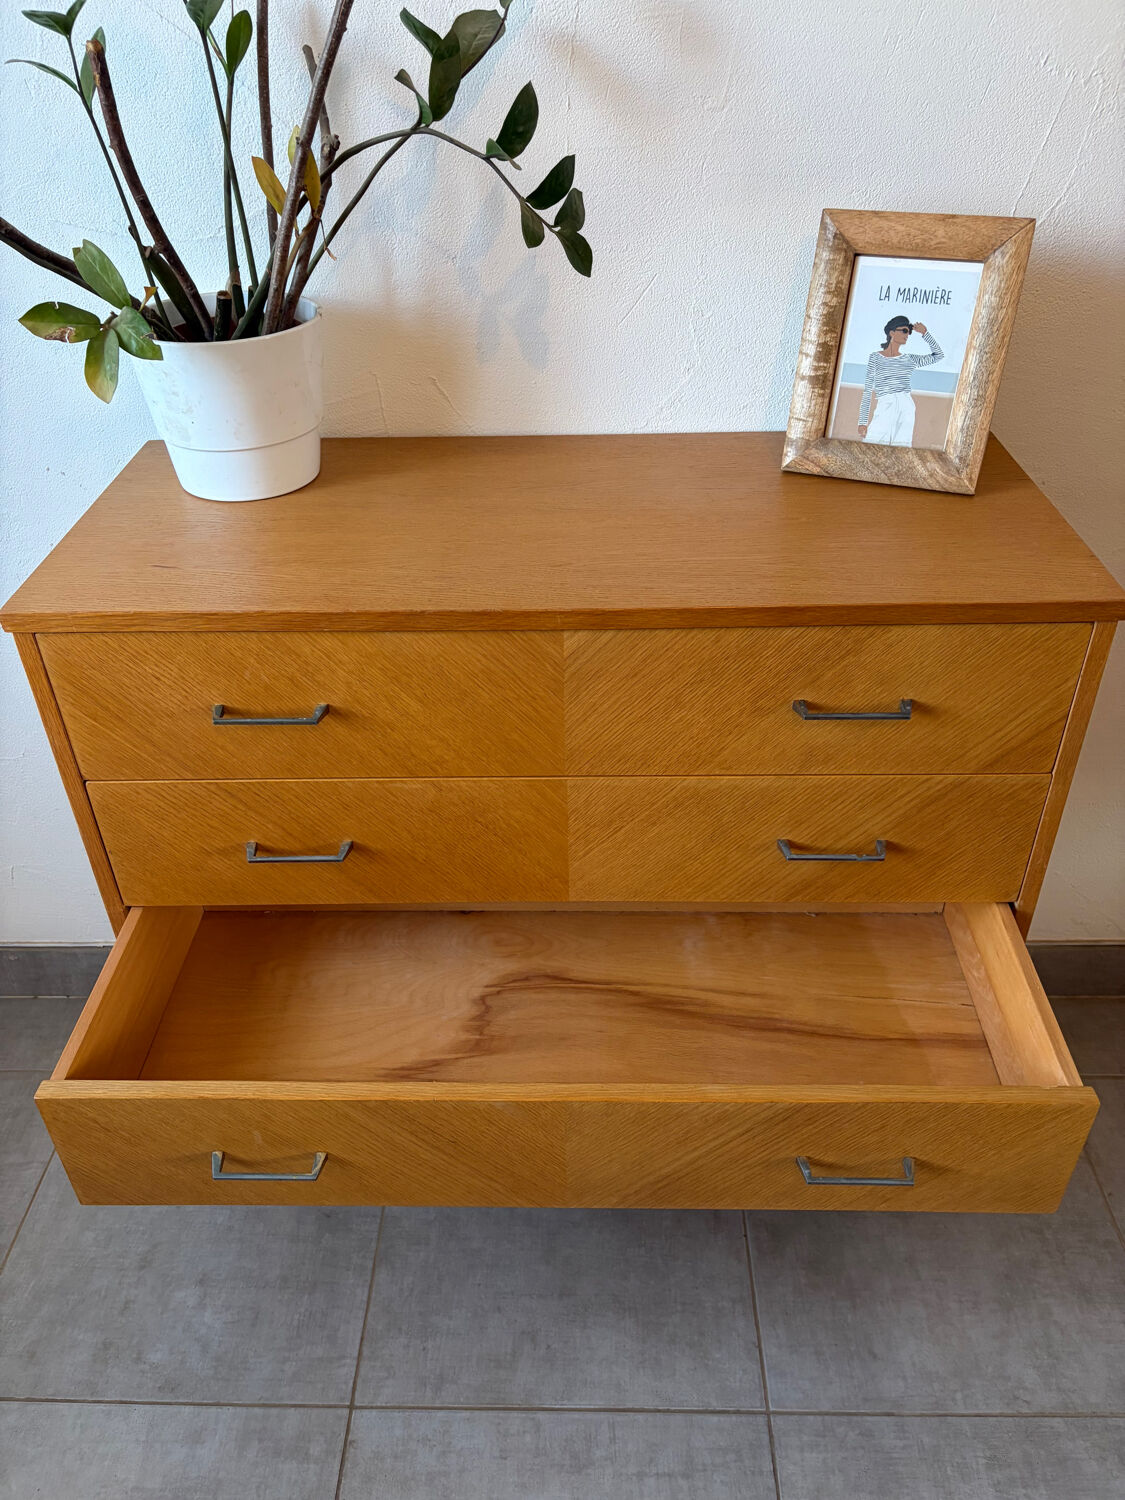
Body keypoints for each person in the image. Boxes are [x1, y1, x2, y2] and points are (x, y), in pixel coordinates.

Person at [857, 316, 944, 446]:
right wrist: (862, 422)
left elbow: (939, 355)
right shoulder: (875, 357)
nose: (907, 334)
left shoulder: (909, 359)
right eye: (904, 330)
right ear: (892, 332)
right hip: (885, 404)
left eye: (909, 331)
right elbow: (868, 390)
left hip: (906, 405)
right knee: (872, 446)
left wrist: (925, 333)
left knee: (902, 448)